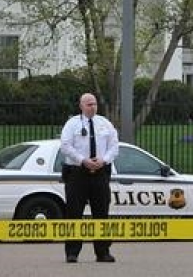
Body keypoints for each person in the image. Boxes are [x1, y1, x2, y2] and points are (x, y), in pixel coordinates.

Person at [59, 92, 119, 263]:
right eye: (89, 104)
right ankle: (72, 252)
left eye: (94, 104)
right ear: (81, 106)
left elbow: (114, 146)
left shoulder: (105, 124)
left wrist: (104, 160)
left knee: (101, 212)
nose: (92, 107)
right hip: (77, 173)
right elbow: (65, 146)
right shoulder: (72, 124)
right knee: (74, 213)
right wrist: (83, 160)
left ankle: (103, 252)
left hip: (100, 172)